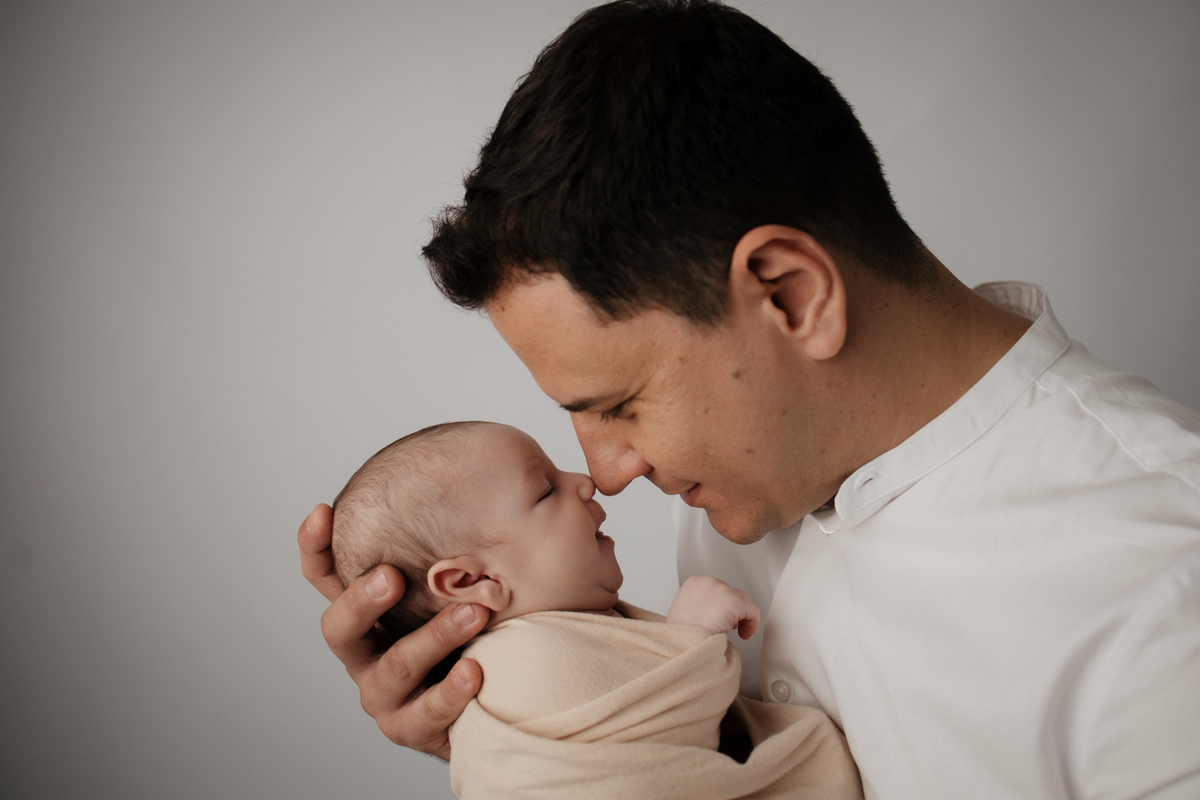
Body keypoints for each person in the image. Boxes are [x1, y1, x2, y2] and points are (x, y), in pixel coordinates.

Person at [299, 1, 1200, 797]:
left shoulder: (1162, 591)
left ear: (790, 297)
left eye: (619, 404)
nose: (606, 474)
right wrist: (529, 742)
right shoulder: (743, 485)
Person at [330, 420, 862, 799]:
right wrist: (691, 639)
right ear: (473, 582)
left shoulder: (561, 637)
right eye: (546, 491)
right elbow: (653, 761)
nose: (585, 481)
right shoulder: (520, 662)